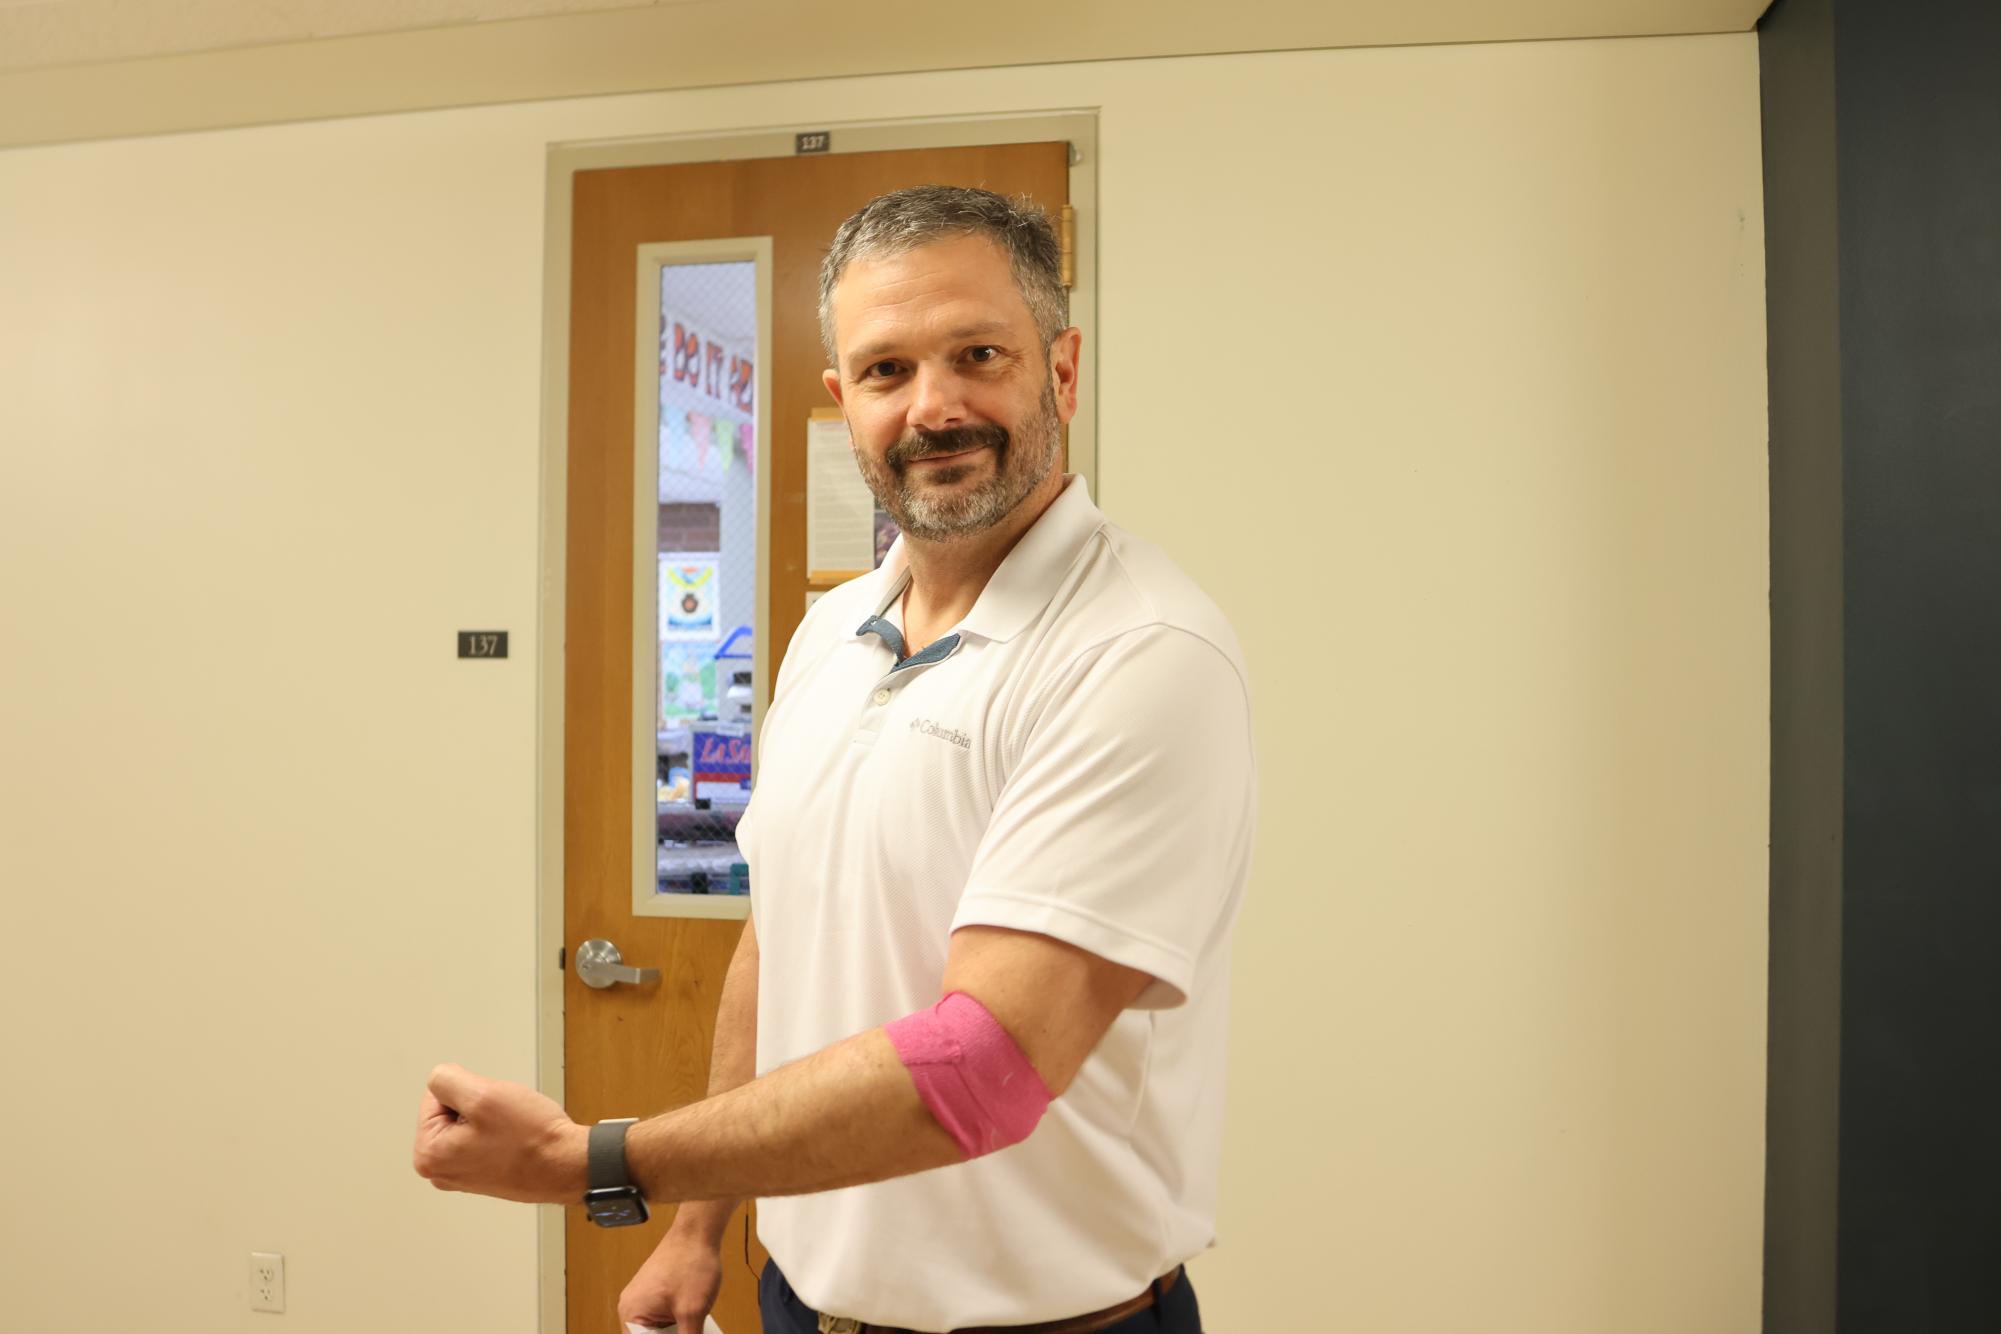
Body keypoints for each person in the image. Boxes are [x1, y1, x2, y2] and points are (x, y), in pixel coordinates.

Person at [413, 186, 1256, 1334]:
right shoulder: (833, 629)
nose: (934, 406)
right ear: (842, 402)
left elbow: (985, 1064)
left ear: (1060, 371)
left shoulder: (1138, 648)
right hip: (802, 1303)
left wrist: (591, 1159)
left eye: (978, 353)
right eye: (886, 370)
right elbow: (780, 934)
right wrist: (699, 1224)